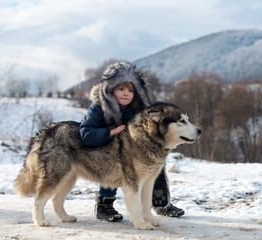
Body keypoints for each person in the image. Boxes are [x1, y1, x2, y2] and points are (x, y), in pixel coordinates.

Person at [79, 61, 185, 222]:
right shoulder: (98, 107)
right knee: (112, 165)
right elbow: (86, 133)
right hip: (104, 147)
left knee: (155, 163)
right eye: (121, 88)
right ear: (110, 89)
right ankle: (104, 206)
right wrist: (111, 132)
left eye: (131, 90)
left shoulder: (138, 109)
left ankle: (162, 204)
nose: (126, 93)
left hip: (134, 150)